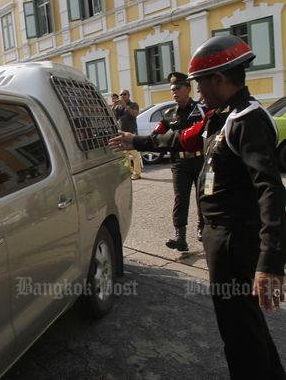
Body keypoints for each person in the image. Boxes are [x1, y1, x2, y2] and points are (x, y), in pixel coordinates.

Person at [109, 35, 285, 379]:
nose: (197, 90)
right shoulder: (222, 115)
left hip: (236, 237)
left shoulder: (246, 120)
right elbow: (181, 139)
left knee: (237, 326)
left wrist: (270, 261)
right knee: (244, 318)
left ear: (219, 79)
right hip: (221, 234)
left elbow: (271, 190)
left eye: (200, 83)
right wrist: (136, 141)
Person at [153, 72, 206, 251]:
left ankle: (202, 228)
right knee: (180, 199)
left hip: (200, 161)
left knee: (203, 196)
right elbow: (156, 135)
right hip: (179, 164)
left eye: (177, 88)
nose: (174, 92)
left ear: (188, 88)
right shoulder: (169, 114)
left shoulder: (200, 110)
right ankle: (180, 237)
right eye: (172, 89)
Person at [118, 89, 142, 179]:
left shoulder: (134, 105)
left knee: (135, 154)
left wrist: (126, 106)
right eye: (121, 95)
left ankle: (137, 173)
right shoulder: (119, 107)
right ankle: (129, 172)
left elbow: (134, 114)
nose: (122, 96)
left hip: (132, 133)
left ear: (128, 95)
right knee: (125, 155)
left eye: (124, 94)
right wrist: (113, 107)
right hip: (122, 134)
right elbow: (114, 116)